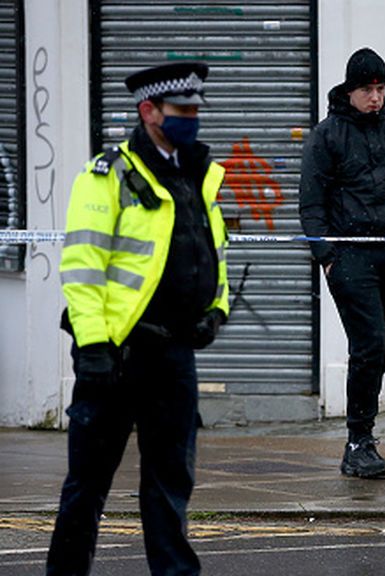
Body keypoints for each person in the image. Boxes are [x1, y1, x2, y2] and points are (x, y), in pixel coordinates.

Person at [49, 62, 229, 575]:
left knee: (170, 488)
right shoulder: (108, 177)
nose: (191, 119)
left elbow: (214, 252)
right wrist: (95, 348)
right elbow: (82, 267)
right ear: (149, 111)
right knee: (86, 490)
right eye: (181, 110)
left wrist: (216, 310)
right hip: (116, 357)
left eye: (195, 110)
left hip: (173, 357)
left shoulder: (197, 174)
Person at [299, 47, 385, 479]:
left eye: (380, 88)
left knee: (382, 349)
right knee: (369, 343)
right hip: (350, 254)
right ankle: (359, 440)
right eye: (367, 89)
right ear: (350, 90)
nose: (375, 96)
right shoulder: (327, 135)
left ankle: (363, 437)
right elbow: (311, 201)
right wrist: (327, 257)